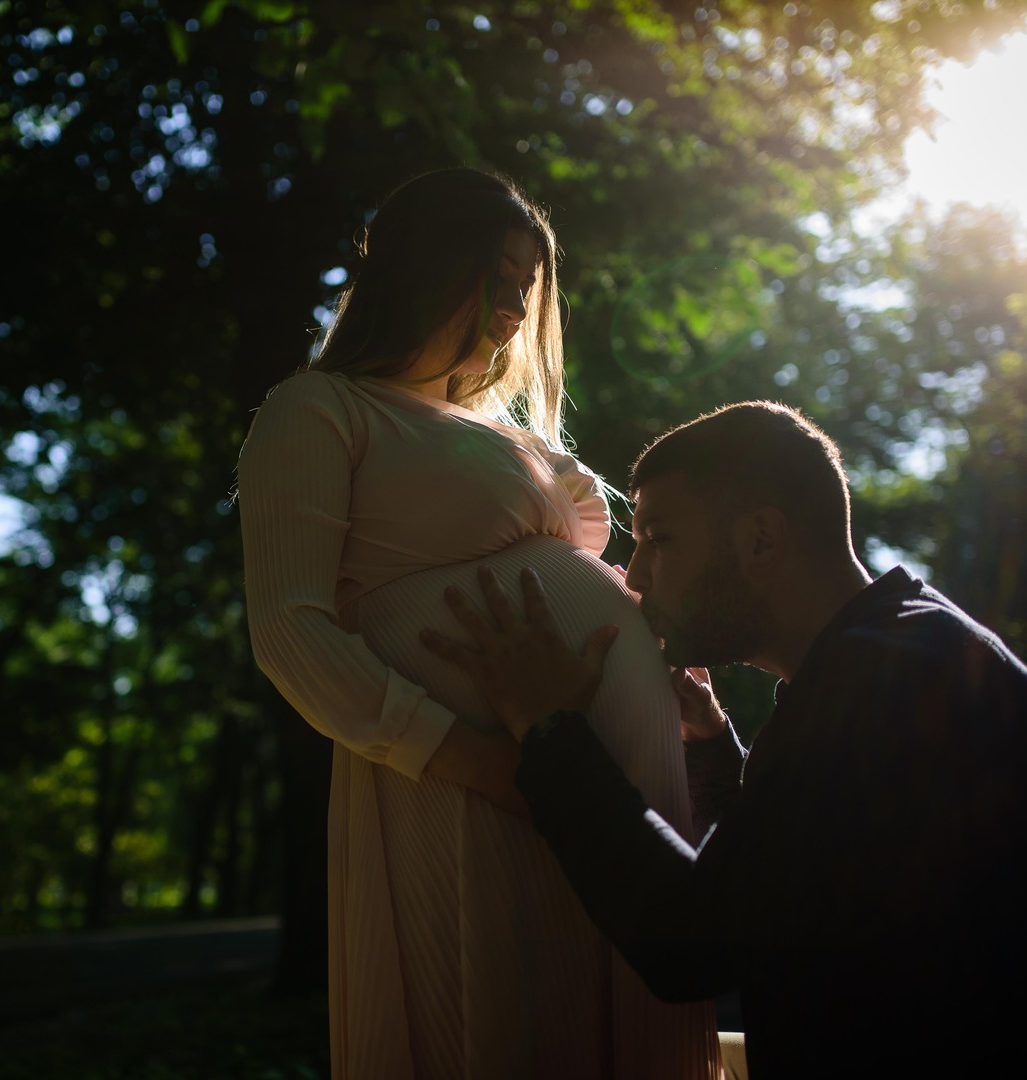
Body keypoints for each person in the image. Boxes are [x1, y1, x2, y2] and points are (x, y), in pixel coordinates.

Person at [423, 400, 1027, 1076]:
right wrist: (719, 756)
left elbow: (689, 940)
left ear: (760, 540)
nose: (634, 576)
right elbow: (804, 882)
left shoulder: (884, 678)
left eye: (659, 538)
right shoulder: (898, 650)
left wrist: (549, 729)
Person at [237, 168, 720, 1079]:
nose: (512, 307)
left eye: (526, 286)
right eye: (493, 276)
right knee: (508, 1021)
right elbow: (290, 633)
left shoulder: (498, 430)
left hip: (588, 780)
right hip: (467, 780)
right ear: (422, 265)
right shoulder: (320, 410)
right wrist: (482, 761)